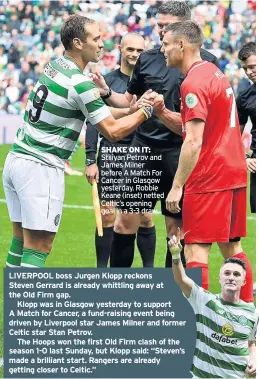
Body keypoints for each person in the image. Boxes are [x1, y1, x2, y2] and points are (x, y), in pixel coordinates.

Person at [3, 14, 154, 268]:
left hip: (17, 159)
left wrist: (130, 110)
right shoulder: (80, 83)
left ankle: (13, 305)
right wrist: (145, 111)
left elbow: (98, 113)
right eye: (96, 38)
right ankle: (27, 306)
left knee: (20, 242)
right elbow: (113, 131)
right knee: (40, 246)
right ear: (78, 43)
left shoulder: (57, 66)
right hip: (41, 167)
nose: (102, 44)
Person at [92, 0, 219, 269]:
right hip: (144, 150)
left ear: (185, 26)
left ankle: (170, 296)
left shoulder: (206, 62)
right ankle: (118, 293)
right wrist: (105, 92)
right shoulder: (148, 58)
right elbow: (128, 102)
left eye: (166, 25)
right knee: (125, 220)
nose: (160, 30)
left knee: (176, 229)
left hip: (181, 153)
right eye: (158, 24)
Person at [161, 21, 253, 302]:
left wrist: (177, 187)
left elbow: (193, 140)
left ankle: (198, 328)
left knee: (195, 251)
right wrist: (162, 112)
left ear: (181, 45)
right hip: (233, 172)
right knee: (232, 248)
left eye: (166, 44)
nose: (162, 49)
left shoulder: (193, 83)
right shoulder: (214, 72)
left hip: (209, 176)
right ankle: (246, 320)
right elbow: (198, 126)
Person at [85, 33, 156, 268]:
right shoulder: (106, 81)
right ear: (120, 49)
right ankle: (101, 272)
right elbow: (94, 121)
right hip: (112, 154)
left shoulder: (150, 82)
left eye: (139, 50)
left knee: (145, 217)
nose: (135, 54)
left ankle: (149, 273)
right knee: (107, 215)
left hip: (140, 156)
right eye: (130, 49)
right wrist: (90, 160)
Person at [168, 229, 258, 379]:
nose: (231, 278)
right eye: (227, 273)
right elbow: (181, 279)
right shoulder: (205, 300)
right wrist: (176, 255)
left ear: (244, 281)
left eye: (236, 275)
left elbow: (250, 343)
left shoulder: (251, 314)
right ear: (219, 279)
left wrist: (254, 361)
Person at [237, 42, 256, 214]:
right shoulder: (245, 97)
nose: (249, 72)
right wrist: (244, 157)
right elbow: (235, 133)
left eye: (253, 66)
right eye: (245, 69)